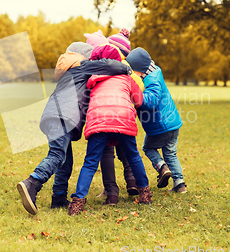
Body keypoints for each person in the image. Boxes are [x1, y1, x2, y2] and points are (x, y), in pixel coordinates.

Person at [17, 42, 132, 215]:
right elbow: (108, 65)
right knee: (57, 155)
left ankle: (59, 198)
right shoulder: (82, 65)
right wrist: (125, 68)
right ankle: (32, 183)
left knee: (65, 161)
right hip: (64, 116)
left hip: (52, 116)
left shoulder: (67, 71)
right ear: (83, 56)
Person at [68, 45, 152, 216]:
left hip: (99, 120)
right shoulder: (126, 79)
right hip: (123, 118)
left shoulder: (92, 80)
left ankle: (77, 202)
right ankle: (144, 194)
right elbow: (139, 100)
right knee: (133, 156)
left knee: (90, 162)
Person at [85, 29, 143, 205]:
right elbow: (139, 95)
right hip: (124, 114)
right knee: (129, 152)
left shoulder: (98, 70)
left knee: (106, 153)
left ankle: (111, 191)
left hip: (102, 116)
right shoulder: (128, 70)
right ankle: (133, 182)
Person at [125, 47, 186, 193]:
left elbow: (151, 101)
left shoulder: (150, 79)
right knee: (171, 153)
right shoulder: (155, 72)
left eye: (134, 72)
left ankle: (162, 167)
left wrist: (135, 97)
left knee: (148, 148)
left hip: (159, 126)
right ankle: (180, 184)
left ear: (140, 69)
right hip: (173, 124)